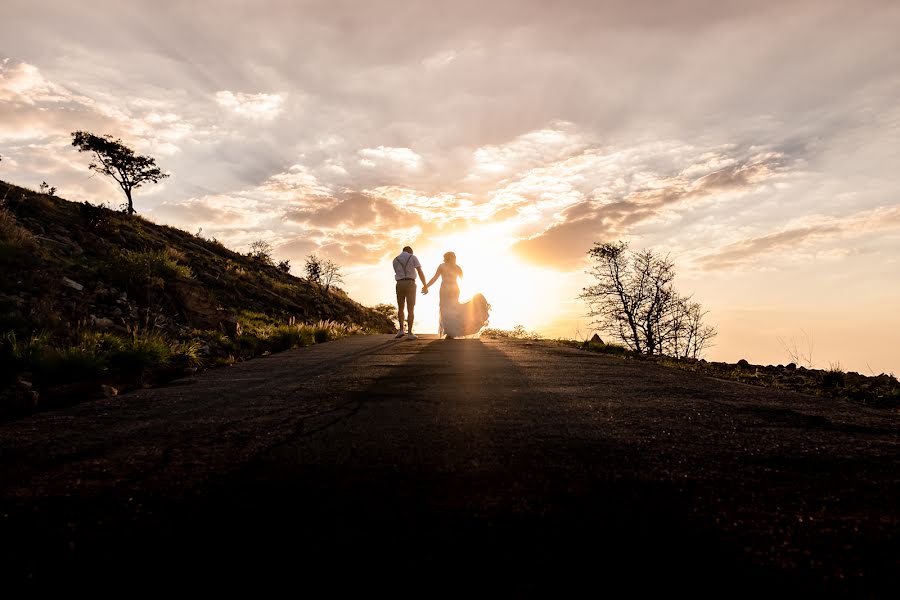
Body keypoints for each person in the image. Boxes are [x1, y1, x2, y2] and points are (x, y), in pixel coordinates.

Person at [423, 251, 490, 339]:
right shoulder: (455, 267)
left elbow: (435, 278)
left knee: (448, 310)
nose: (454, 259)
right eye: (454, 257)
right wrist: (426, 286)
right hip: (451, 290)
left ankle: (450, 332)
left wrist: (426, 286)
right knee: (448, 310)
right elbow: (436, 278)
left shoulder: (445, 266)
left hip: (448, 290)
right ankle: (450, 332)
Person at [392, 245, 428, 340]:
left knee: (400, 307)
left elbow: (397, 272)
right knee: (410, 308)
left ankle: (400, 330)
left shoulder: (395, 260)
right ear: (410, 252)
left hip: (399, 283)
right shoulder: (413, 257)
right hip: (410, 283)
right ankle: (410, 333)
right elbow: (420, 271)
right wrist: (425, 285)